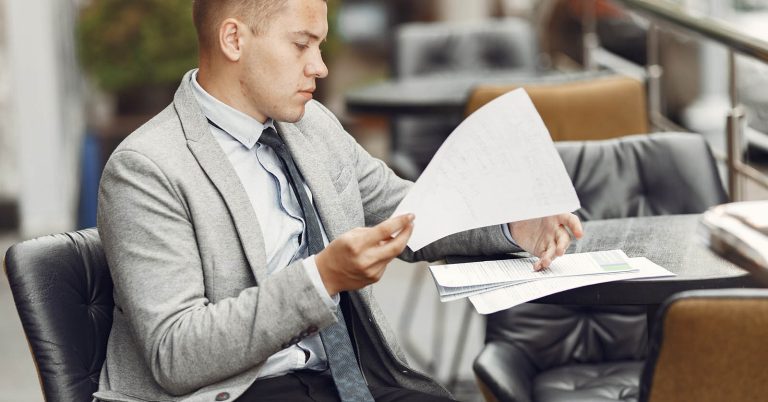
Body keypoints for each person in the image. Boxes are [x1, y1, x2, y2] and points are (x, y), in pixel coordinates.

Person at [94, 0, 584, 401]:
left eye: (320, 45)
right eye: (301, 44)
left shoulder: (313, 125)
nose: (320, 66)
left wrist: (511, 225)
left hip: (350, 376)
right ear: (234, 40)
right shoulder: (147, 167)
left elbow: (406, 209)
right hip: (235, 390)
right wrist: (322, 278)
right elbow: (175, 354)